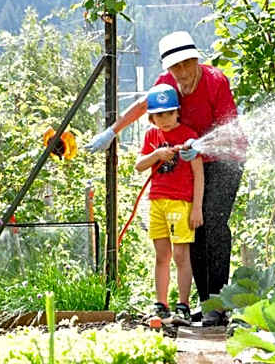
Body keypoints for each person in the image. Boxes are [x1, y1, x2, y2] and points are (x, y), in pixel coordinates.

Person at [85, 31, 246, 326]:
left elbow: (230, 128)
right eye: (175, 67)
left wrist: (200, 146)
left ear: (196, 59)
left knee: (212, 223)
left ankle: (218, 303)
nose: (182, 72)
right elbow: (144, 105)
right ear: (168, 68)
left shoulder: (215, 81)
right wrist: (112, 131)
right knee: (193, 229)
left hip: (225, 159)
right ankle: (206, 304)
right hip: (192, 162)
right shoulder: (167, 82)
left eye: (187, 64)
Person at [134, 84, 203, 326]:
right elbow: (139, 165)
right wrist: (156, 155)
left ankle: (183, 305)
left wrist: (197, 208)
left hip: (180, 203)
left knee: (181, 256)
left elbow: (199, 173)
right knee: (161, 255)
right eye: (158, 115)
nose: (164, 119)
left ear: (177, 112)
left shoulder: (189, 136)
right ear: (151, 117)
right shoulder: (151, 136)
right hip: (156, 202)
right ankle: (161, 305)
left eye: (169, 113)